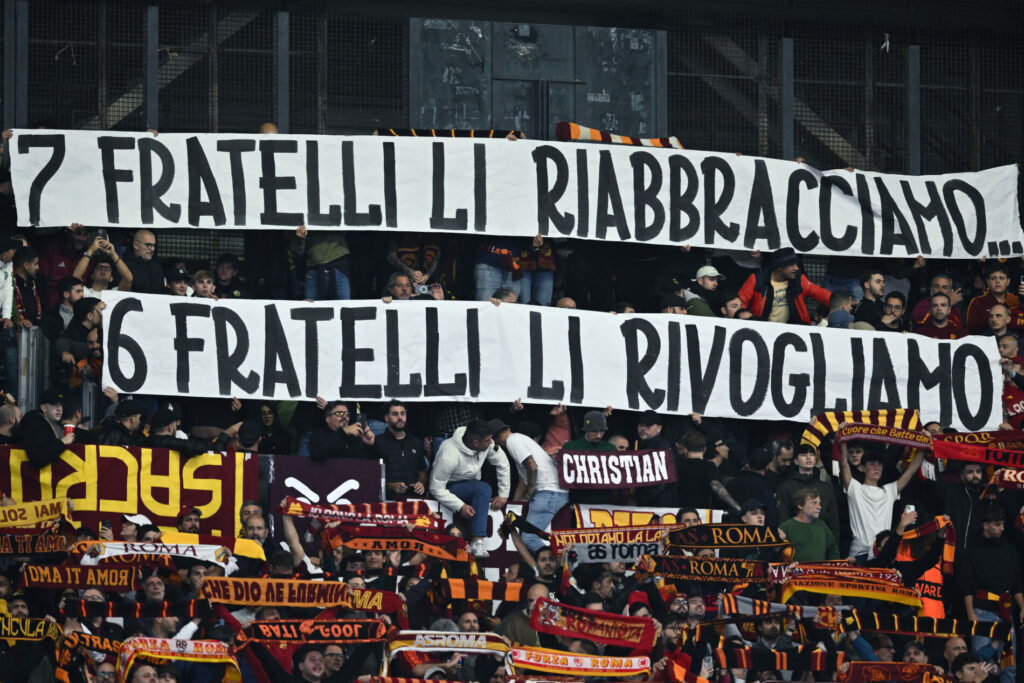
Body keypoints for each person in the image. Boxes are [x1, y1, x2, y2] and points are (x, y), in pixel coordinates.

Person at [427, 418, 510, 558]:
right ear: (476, 443)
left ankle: (477, 542)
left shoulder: (487, 444)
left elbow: (503, 463)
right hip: (448, 488)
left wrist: (503, 494)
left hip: (471, 485)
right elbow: (435, 488)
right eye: (488, 440)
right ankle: (477, 541)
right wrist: (460, 506)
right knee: (483, 488)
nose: (491, 443)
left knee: (482, 488)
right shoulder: (449, 454)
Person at [840, 444, 924, 562]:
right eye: (872, 464)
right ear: (863, 467)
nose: (876, 468)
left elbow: (911, 471)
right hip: (858, 554)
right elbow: (843, 463)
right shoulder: (855, 488)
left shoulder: (889, 491)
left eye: (879, 465)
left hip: (883, 552)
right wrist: (842, 440)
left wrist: (925, 447)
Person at [493, 421, 567, 552]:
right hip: (554, 493)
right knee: (534, 538)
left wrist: (528, 494)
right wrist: (515, 503)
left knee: (529, 539)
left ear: (495, 440)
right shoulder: (520, 439)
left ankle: (556, 567)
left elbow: (532, 466)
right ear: (508, 428)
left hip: (548, 493)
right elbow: (523, 480)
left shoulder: (512, 441)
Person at [738, 247, 831, 324]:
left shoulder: (799, 280)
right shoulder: (757, 279)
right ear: (779, 267)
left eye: (796, 264)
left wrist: (839, 304)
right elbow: (740, 304)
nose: (797, 268)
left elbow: (820, 293)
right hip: (763, 330)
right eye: (791, 265)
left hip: (791, 330)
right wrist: (749, 323)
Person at [775, 444, 839, 539]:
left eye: (812, 454)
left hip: (821, 541)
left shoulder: (826, 488)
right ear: (796, 461)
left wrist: (834, 548)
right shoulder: (785, 488)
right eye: (803, 455)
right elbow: (783, 520)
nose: (808, 457)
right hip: (796, 541)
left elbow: (833, 521)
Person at [674, 431, 740, 513]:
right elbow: (717, 487)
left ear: (686, 450)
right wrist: (736, 506)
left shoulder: (678, 466)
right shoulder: (709, 466)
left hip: (682, 512)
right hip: (702, 513)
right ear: (705, 449)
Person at [374, 400, 428, 499]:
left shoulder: (416, 442)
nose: (400, 417)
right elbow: (372, 476)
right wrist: (391, 486)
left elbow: (422, 472)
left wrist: (421, 483)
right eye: (395, 414)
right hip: (388, 499)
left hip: (414, 498)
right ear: (387, 418)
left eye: (402, 414)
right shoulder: (378, 442)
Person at [778, 488, 839, 562]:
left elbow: (833, 550)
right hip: (796, 572)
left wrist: (831, 567)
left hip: (820, 572)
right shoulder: (785, 527)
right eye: (814, 503)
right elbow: (779, 556)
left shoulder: (822, 526)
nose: (819, 507)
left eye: (819, 503)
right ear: (800, 505)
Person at [20, 388, 74, 468]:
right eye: (54, 404)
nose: (59, 409)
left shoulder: (55, 425)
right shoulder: (34, 423)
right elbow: (38, 458)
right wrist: (62, 442)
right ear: (43, 408)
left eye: (61, 404)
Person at [308, 401, 375, 460]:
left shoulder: (354, 438)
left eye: (347, 414)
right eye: (339, 413)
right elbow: (317, 453)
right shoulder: (318, 435)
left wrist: (369, 445)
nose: (344, 416)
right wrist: (343, 432)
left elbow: (366, 465)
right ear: (328, 419)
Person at [965, 265, 1018, 333]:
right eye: (993, 278)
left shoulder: (1014, 300)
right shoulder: (977, 302)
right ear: (988, 282)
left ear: (1008, 281)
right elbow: (972, 329)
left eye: (1001, 278)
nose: (997, 281)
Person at [40, 276, 84, 341]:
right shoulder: (51, 316)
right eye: (78, 291)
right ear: (66, 294)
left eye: (82, 292)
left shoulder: (85, 313)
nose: (82, 295)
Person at [122, 229, 165, 294]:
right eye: (148, 245)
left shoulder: (157, 268)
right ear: (136, 245)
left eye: (154, 245)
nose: (152, 249)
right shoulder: (123, 267)